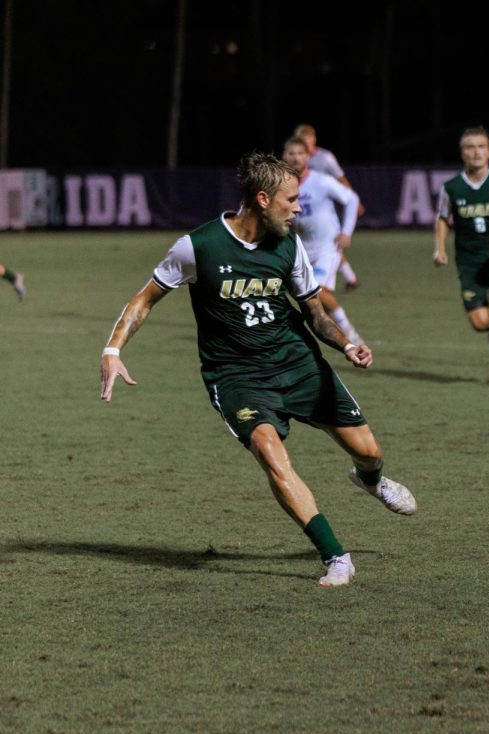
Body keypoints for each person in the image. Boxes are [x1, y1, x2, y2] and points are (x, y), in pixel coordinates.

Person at [99, 152, 417, 588]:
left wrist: (347, 344)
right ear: (263, 199)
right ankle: (335, 557)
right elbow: (144, 299)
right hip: (237, 378)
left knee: (368, 450)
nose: (299, 208)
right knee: (270, 453)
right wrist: (113, 349)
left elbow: (316, 314)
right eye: (292, 199)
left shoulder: (289, 244)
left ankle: (371, 479)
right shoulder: (199, 245)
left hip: (297, 364)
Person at [433, 126, 489, 390]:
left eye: (481, 146)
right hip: (469, 264)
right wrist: (439, 248)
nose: (476, 152)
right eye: (470, 147)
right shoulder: (451, 187)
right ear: (462, 153)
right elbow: (442, 218)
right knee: (479, 323)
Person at [282, 136, 365, 345]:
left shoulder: (321, 181)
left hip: (327, 247)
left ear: (307, 157)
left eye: (300, 154)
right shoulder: (281, 183)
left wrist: (346, 231)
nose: (295, 158)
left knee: (318, 290)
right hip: (300, 249)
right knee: (308, 296)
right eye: (291, 153)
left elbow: (352, 199)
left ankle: (351, 337)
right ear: (284, 156)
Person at [294, 123, 361, 291]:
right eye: (303, 140)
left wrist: (353, 198)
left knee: (330, 241)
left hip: (327, 201)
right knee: (326, 243)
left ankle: (347, 278)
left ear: (314, 139)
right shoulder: (294, 160)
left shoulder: (325, 157)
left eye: (309, 138)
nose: (307, 143)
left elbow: (340, 178)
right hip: (305, 205)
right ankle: (350, 277)